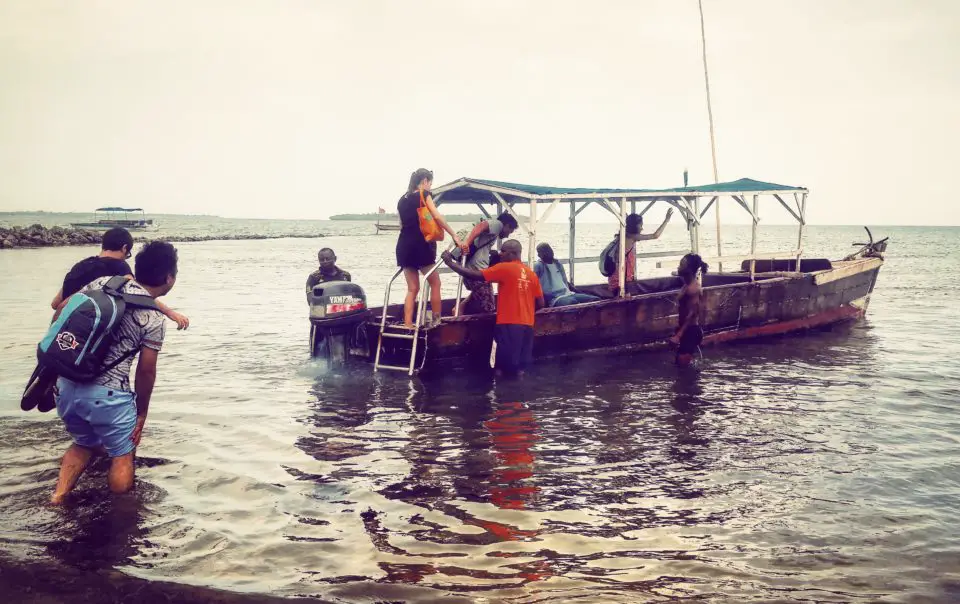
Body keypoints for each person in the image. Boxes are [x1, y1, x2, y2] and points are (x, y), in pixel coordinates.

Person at [50, 241, 180, 504]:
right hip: (108, 396)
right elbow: (146, 372)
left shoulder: (104, 284)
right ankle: (122, 517)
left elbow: (61, 311)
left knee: (82, 443)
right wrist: (141, 413)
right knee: (123, 453)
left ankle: (57, 497)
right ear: (169, 278)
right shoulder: (152, 317)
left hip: (67, 386)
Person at [50, 227, 189, 330]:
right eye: (128, 254)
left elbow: (56, 304)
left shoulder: (79, 266)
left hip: (58, 339)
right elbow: (139, 294)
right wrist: (170, 313)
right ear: (124, 248)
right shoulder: (120, 268)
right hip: (84, 343)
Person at [441, 240, 544, 376]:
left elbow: (476, 275)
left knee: (501, 369)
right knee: (520, 370)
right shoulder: (532, 274)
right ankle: (519, 395)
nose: (500, 254)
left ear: (513, 253)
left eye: (503, 251)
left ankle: (501, 395)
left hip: (508, 325)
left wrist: (450, 263)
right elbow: (541, 303)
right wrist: (525, 311)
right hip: (528, 327)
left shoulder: (504, 268)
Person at [395, 168, 463, 328]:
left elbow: (401, 225)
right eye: (430, 183)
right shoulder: (423, 194)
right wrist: (454, 234)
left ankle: (408, 324)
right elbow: (437, 216)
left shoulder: (401, 200)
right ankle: (436, 320)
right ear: (424, 181)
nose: (431, 186)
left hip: (404, 245)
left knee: (412, 288)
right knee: (436, 283)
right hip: (421, 245)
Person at [451, 212, 519, 314]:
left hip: (470, 268)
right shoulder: (498, 224)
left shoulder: (492, 233)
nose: (507, 235)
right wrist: (467, 244)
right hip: (478, 270)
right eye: (510, 231)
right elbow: (481, 226)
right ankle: (486, 328)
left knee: (478, 291)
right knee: (489, 306)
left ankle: (460, 307)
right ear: (507, 225)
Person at [602, 209, 674, 296]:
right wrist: (667, 219)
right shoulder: (632, 237)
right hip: (621, 281)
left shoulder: (623, 235)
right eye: (641, 225)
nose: (642, 228)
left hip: (615, 278)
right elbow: (655, 235)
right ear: (635, 226)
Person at [670, 253, 708, 367]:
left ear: (689, 269)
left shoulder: (693, 289)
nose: (678, 267)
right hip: (685, 330)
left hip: (691, 331)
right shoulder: (686, 285)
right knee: (681, 369)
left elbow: (693, 313)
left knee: (683, 371)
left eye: (681, 265)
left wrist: (678, 335)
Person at [533, 243, 601, 307]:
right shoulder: (539, 266)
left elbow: (564, 281)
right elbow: (534, 284)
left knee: (595, 299)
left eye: (550, 249)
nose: (550, 252)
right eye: (545, 251)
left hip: (569, 294)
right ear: (539, 255)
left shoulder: (558, 264)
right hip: (555, 299)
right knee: (572, 302)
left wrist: (580, 292)